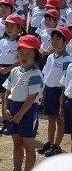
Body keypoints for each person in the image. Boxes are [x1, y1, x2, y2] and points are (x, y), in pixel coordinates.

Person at [3, 35, 43, 171]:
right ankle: (17, 168)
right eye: (21, 53)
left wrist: (20, 114)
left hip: (28, 110)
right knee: (16, 142)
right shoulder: (14, 71)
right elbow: (8, 91)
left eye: (28, 53)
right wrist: (6, 108)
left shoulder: (36, 74)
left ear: (35, 55)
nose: (24, 56)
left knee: (28, 144)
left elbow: (32, 97)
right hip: (13, 108)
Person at [37, 26, 72, 157]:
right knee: (50, 118)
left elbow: (65, 80)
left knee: (59, 119)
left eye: (59, 39)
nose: (55, 41)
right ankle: (50, 142)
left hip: (58, 92)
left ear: (66, 41)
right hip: (49, 90)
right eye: (53, 38)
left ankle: (57, 145)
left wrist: (61, 98)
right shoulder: (51, 56)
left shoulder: (67, 59)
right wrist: (44, 92)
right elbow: (46, 74)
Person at [0, 14, 25, 134]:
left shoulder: (21, 42)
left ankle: (13, 123)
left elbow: (22, 61)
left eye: (13, 26)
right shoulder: (2, 41)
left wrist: (9, 69)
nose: (9, 28)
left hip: (15, 72)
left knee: (13, 98)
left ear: (19, 28)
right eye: (7, 25)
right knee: (3, 98)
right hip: (2, 71)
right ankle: (5, 122)